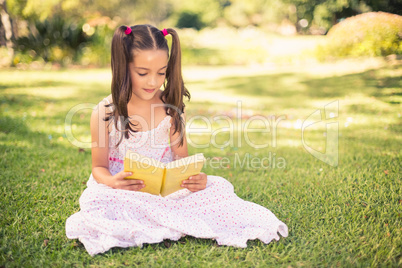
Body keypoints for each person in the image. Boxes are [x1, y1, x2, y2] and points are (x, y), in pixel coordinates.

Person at [66, 24, 288, 256]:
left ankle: (160, 212)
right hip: (122, 189)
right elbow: (99, 168)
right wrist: (113, 182)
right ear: (123, 67)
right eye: (143, 73)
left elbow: (181, 161)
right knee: (96, 201)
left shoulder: (170, 108)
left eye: (161, 72)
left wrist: (193, 179)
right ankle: (151, 214)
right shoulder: (104, 112)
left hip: (164, 191)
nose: (153, 82)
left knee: (217, 187)